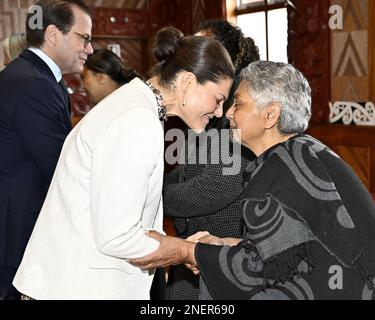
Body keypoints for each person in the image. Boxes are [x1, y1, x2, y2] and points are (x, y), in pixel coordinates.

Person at [12, 26, 234, 300]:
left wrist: (172, 246)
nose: (219, 111)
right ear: (188, 82)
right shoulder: (136, 119)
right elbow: (118, 237)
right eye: (218, 99)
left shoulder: (137, 107)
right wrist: (188, 252)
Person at [130, 61, 375, 300]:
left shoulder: (278, 171)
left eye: (238, 104)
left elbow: (259, 271)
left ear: (270, 115)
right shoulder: (306, 150)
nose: (228, 113)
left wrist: (183, 251)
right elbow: (287, 249)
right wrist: (224, 243)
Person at [0, 0, 93, 300]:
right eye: (84, 38)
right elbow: (61, 168)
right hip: (16, 231)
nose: (89, 49)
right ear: (53, 34)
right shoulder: (33, 84)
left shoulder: (32, 75)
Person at [163, 19, 259, 300]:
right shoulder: (197, 108)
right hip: (192, 243)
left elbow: (215, 186)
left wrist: (154, 195)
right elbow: (179, 168)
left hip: (219, 248)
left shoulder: (236, 115)